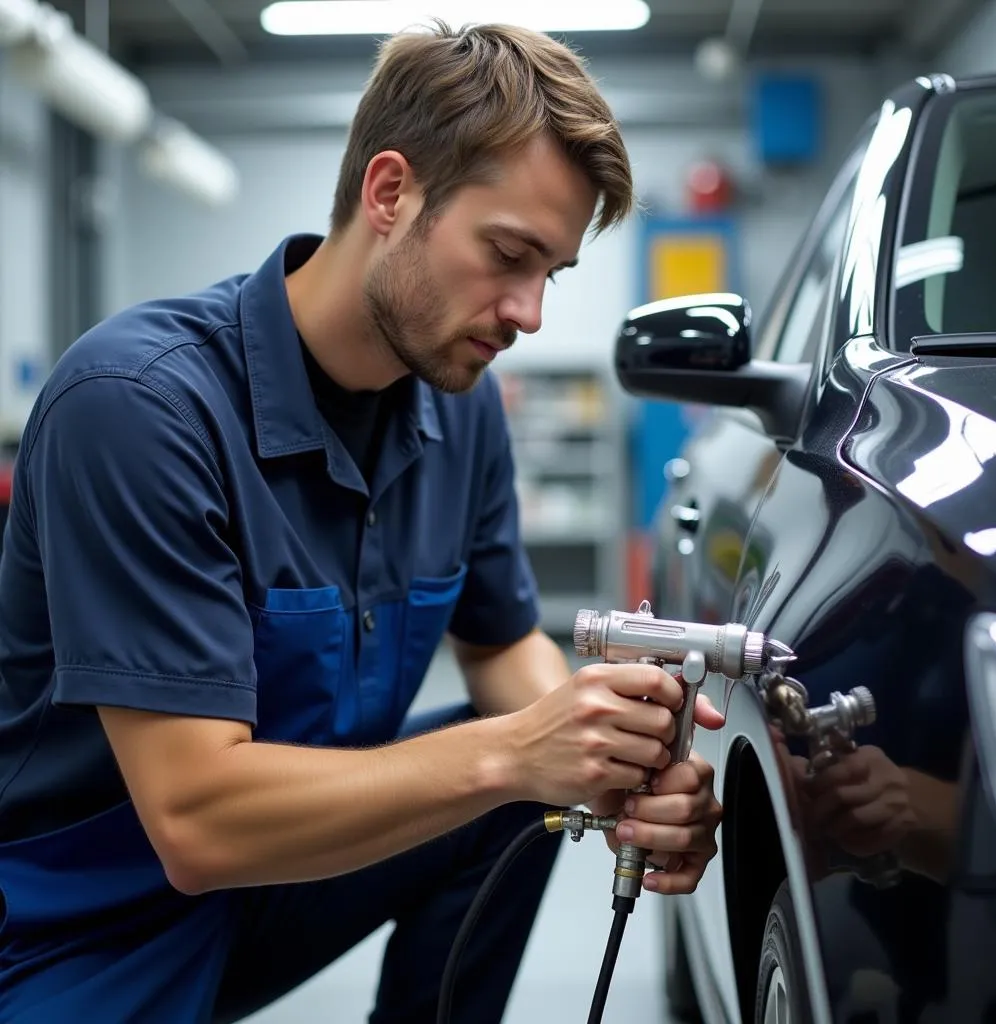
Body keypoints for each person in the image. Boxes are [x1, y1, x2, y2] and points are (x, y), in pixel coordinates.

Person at [0, 20, 726, 1023]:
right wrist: (521, 750)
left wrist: (609, 766)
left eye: (549, 273)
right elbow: (196, 822)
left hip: (267, 889)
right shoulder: (138, 404)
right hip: (72, 934)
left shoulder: (458, 406)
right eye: (508, 254)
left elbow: (505, 641)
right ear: (389, 193)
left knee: (512, 785)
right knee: (500, 762)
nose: (530, 314)